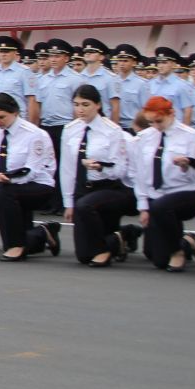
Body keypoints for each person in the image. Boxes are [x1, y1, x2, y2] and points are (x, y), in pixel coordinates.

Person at [59, 85, 134, 267]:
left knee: (86, 207)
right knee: (83, 256)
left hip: (108, 187)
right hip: (84, 187)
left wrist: (100, 167)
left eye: (86, 104)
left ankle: (105, 249)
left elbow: (120, 170)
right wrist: (68, 202)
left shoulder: (112, 131)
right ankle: (120, 238)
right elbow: (67, 168)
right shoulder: (70, 129)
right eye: (76, 104)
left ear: (98, 105)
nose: (80, 109)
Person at [131, 95, 195, 272]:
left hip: (186, 191)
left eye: (159, 121)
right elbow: (140, 174)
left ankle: (178, 251)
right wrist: (143, 206)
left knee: (161, 208)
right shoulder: (143, 138)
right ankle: (187, 241)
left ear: (171, 114)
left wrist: (186, 166)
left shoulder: (190, 135)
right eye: (151, 122)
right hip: (156, 195)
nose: (156, 126)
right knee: (155, 257)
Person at [0, 94, 60, 261]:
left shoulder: (35, 134)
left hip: (38, 185)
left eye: (1, 117)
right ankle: (42, 233)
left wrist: (10, 180)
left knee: (5, 193)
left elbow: (32, 171)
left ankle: (15, 246)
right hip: (9, 187)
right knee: (5, 194)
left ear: (15, 113)